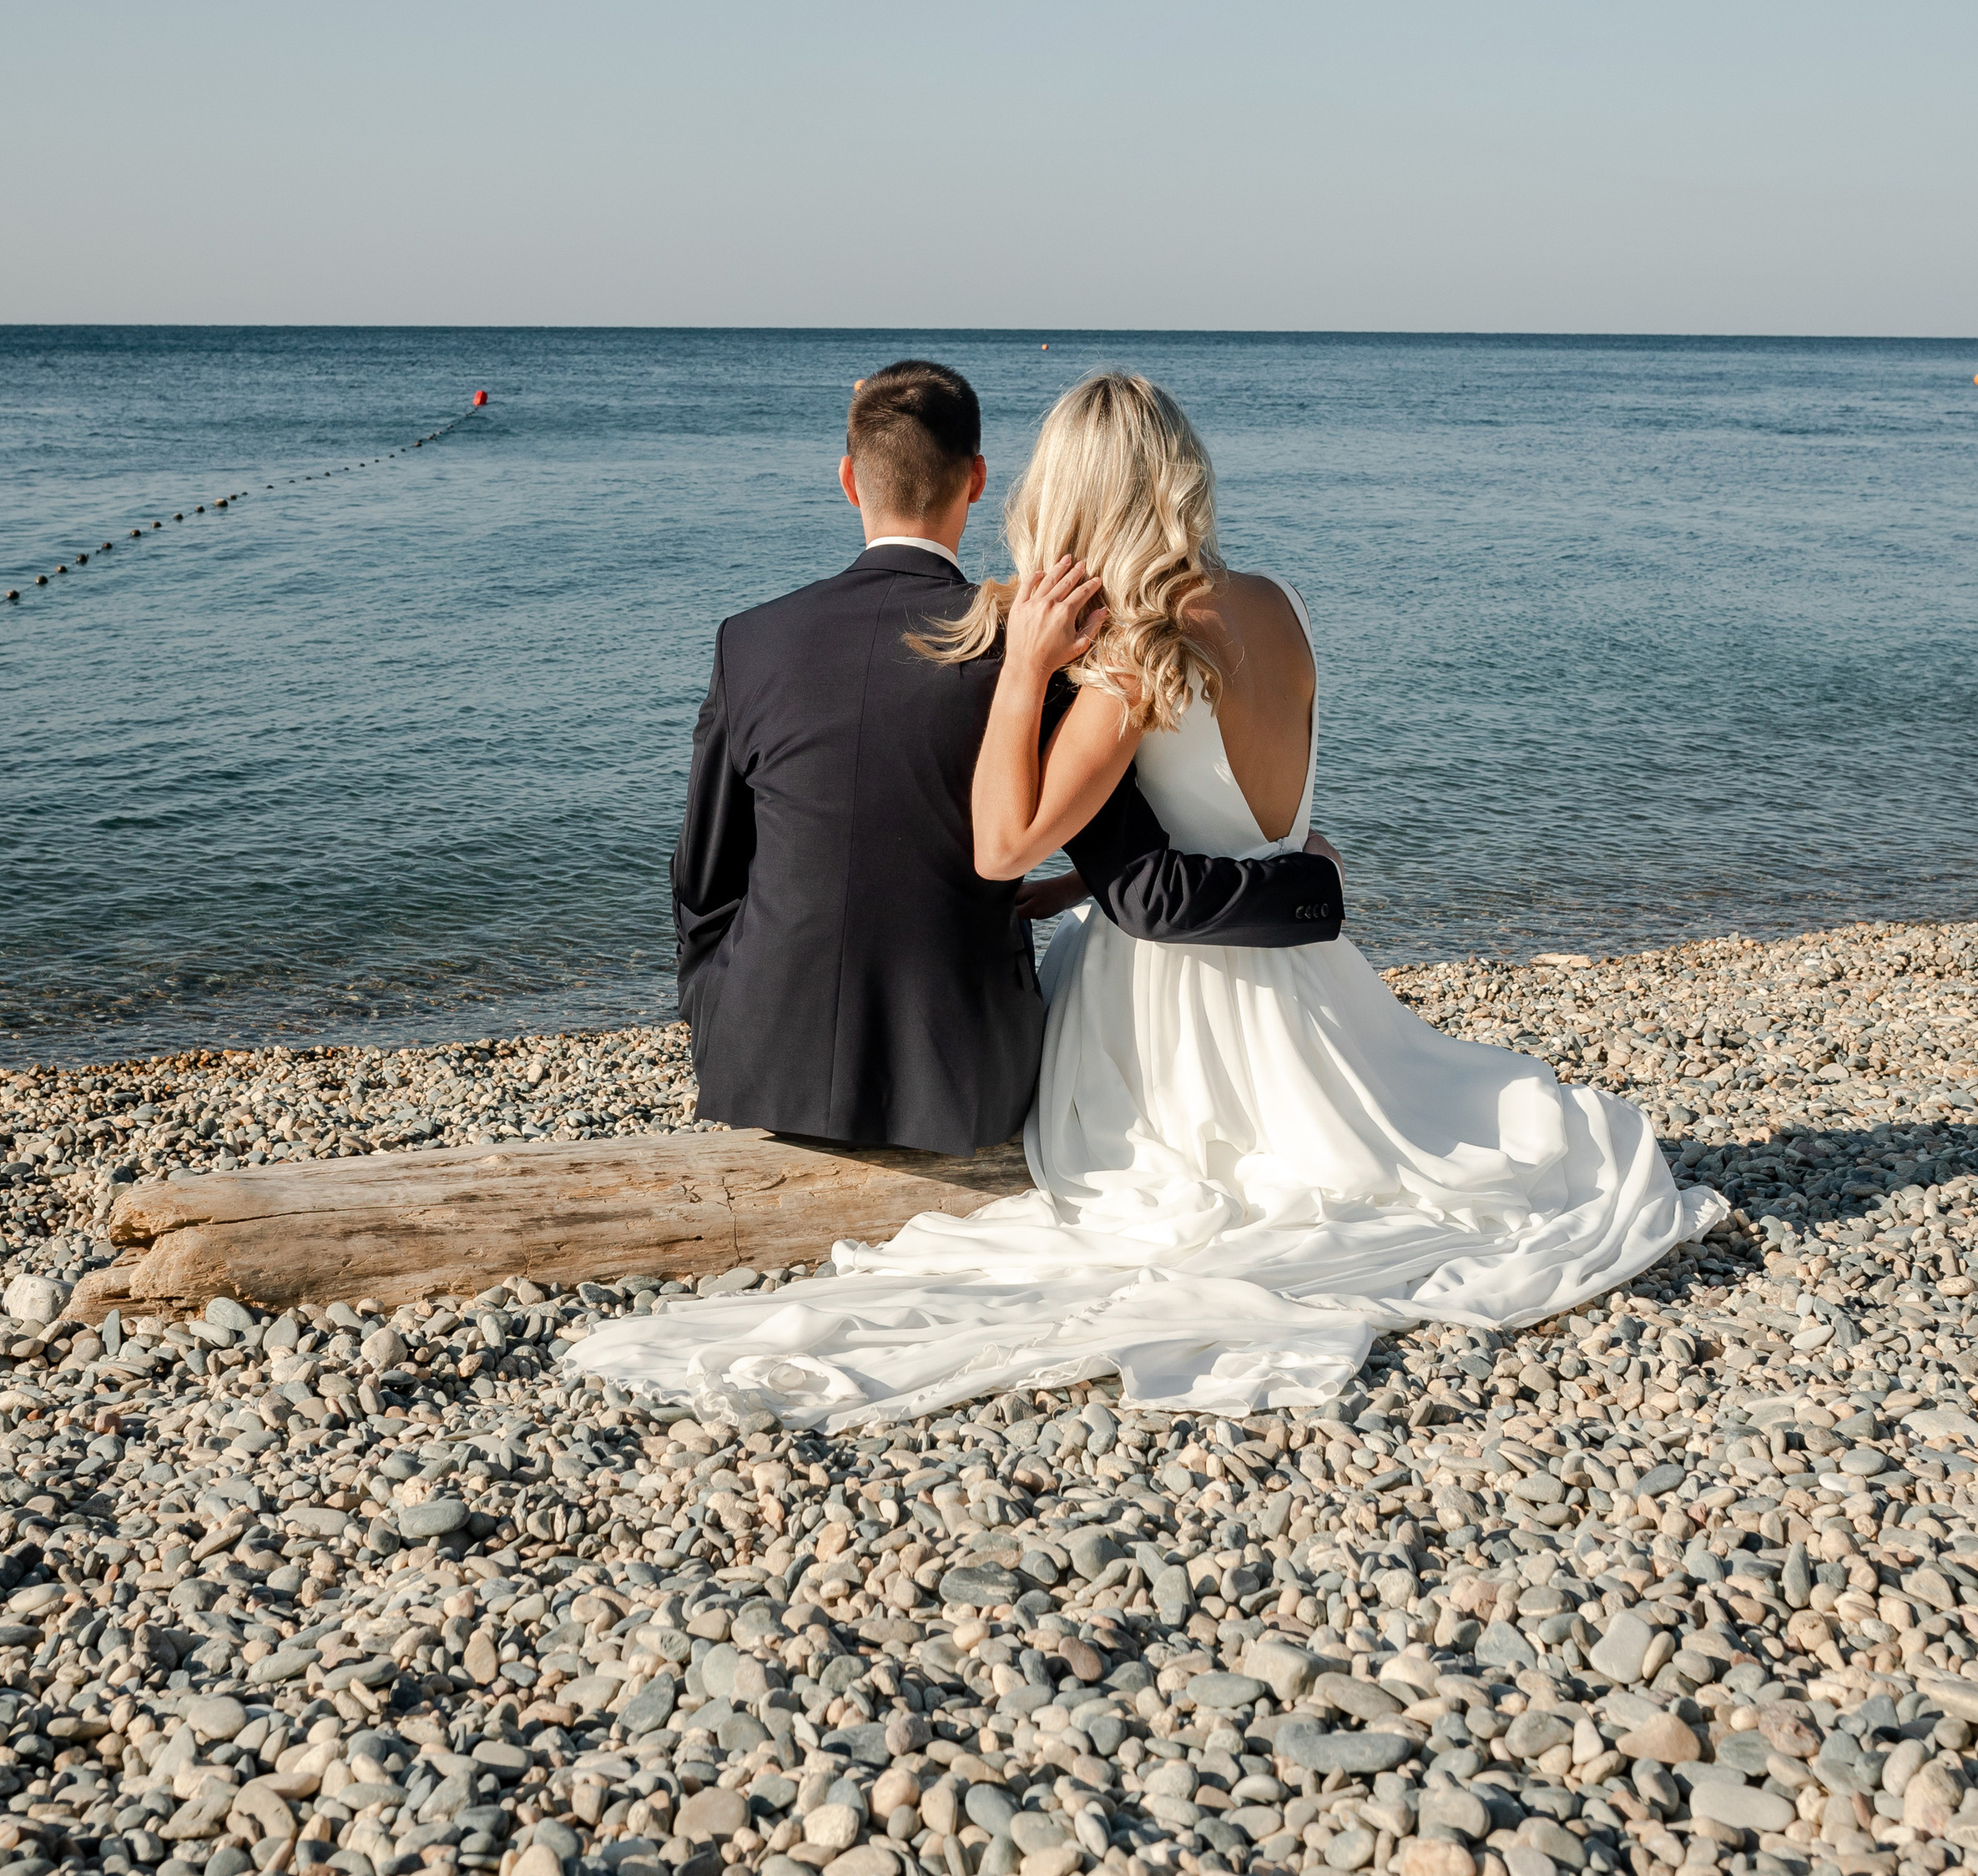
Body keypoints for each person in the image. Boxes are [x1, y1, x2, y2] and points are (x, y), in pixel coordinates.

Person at [578, 371, 1719, 1424]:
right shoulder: (1278, 604)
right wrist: (1286, 880)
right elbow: (1224, 815)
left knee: (1155, 1200)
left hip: (1180, 1007)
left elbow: (997, 847)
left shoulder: (1131, 658)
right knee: (1436, 1137)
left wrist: (1025, 674)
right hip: (1304, 982)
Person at [669, 360, 1345, 1157]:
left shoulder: (752, 638)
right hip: (961, 1072)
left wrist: (713, 1008)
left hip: (758, 1055)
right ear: (979, 478)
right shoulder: (1051, 641)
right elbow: (1138, 872)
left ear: (850, 481)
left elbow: (703, 878)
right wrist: (1316, 881)